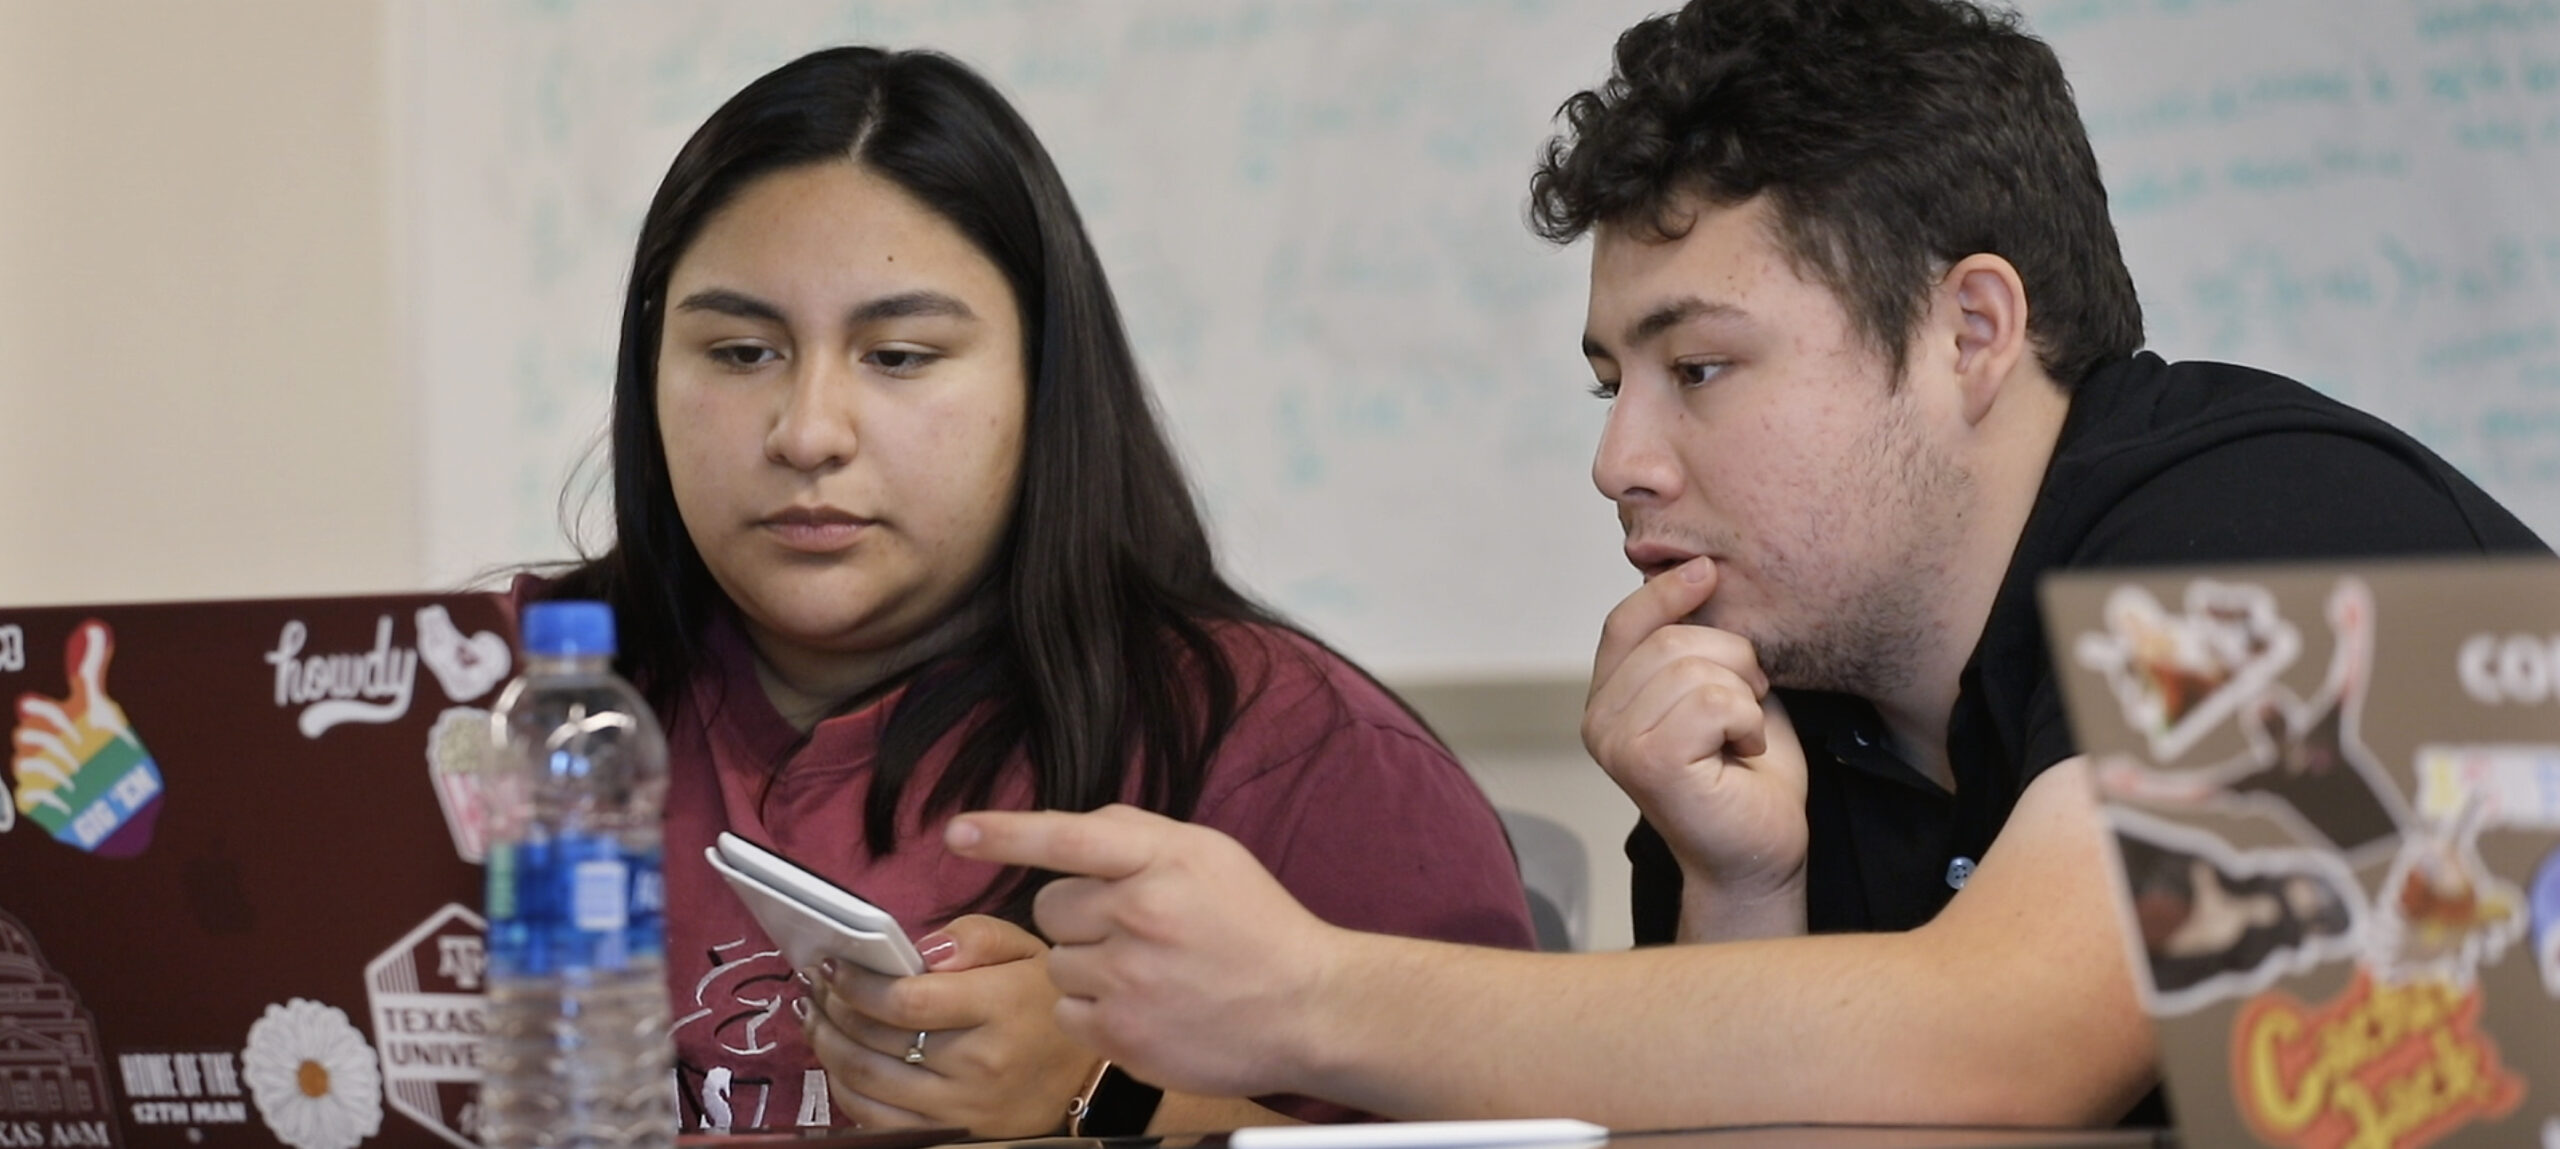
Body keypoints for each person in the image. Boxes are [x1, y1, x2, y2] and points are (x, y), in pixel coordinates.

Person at [942, 0, 2550, 1129]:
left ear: (1969, 332)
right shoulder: (1782, 708)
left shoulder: (2304, 531)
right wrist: (1743, 889)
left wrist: (1300, 995)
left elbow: (2015, 1041)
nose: (1620, 458)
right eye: (1609, 383)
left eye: (1698, 367)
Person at [525, 45, 1536, 1138]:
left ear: (1040, 381)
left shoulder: (1293, 754)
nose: (808, 431)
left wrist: (1103, 1096)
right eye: (738, 351)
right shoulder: (508, 697)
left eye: (901, 355)